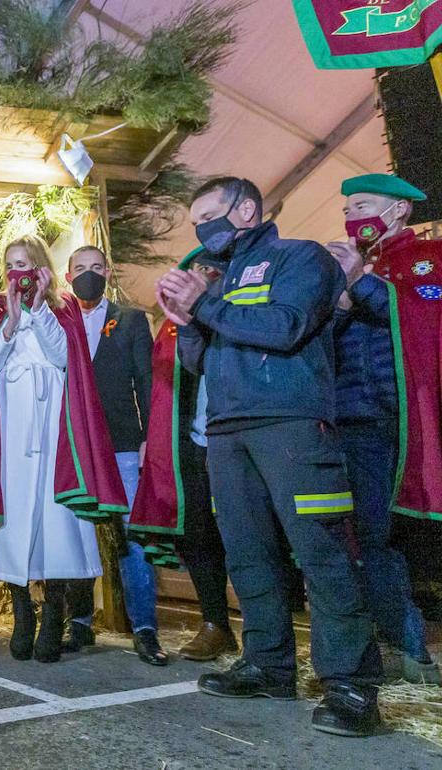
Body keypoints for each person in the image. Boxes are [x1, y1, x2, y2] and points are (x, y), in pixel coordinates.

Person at [157, 177, 382, 737]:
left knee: (321, 551)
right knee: (249, 554)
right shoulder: (219, 280)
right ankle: (268, 664)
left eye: (212, 214)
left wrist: (204, 304)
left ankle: (351, 685)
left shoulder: (300, 258)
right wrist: (188, 322)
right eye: (196, 221)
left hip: (294, 426)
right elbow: (197, 364)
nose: (203, 228)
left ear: (248, 209)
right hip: (228, 433)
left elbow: (285, 329)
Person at [0, 236, 126, 664]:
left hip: (52, 428)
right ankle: (22, 612)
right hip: (10, 427)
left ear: (41, 268)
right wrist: (10, 320)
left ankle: (54, 614)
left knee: (54, 521)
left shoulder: (62, 309)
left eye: (25, 264)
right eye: (10, 265)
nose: (18, 273)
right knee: (11, 519)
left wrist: (40, 309)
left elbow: (65, 357)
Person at [325, 173, 441, 684]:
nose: (353, 218)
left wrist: (359, 283)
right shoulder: (344, 271)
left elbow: (421, 317)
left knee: (415, 532)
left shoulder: (429, 258)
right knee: (372, 536)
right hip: (355, 420)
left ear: (398, 212)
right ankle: (406, 647)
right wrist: (339, 298)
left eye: (364, 206)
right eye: (348, 209)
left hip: (412, 418)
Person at [129, 247, 238, 662]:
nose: (199, 275)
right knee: (196, 535)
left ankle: (268, 634)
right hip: (192, 442)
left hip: (236, 441)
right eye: (193, 268)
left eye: (209, 270)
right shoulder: (173, 325)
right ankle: (215, 624)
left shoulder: (237, 313)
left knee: (247, 538)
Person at [62, 246, 166, 665]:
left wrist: (148, 439)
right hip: (74, 448)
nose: (89, 274)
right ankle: (80, 623)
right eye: (80, 269)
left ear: (108, 272)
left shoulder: (131, 320)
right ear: (67, 277)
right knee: (77, 536)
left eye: (96, 268)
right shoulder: (59, 321)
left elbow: (147, 381)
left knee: (131, 539)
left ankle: (145, 629)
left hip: (123, 443)